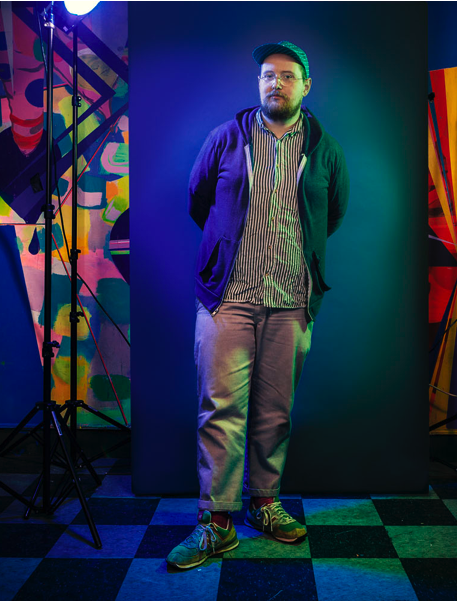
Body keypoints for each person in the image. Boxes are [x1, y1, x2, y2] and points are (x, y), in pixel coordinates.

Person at [167, 41, 349, 569]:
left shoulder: (324, 148)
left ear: (306, 85)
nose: (276, 83)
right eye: (269, 74)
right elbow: (198, 200)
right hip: (228, 299)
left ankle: (264, 504)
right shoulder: (226, 138)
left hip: (291, 300)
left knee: (275, 412)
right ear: (259, 83)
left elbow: (332, 214)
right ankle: (217, 522)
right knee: (219, 410)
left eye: (288, 75)